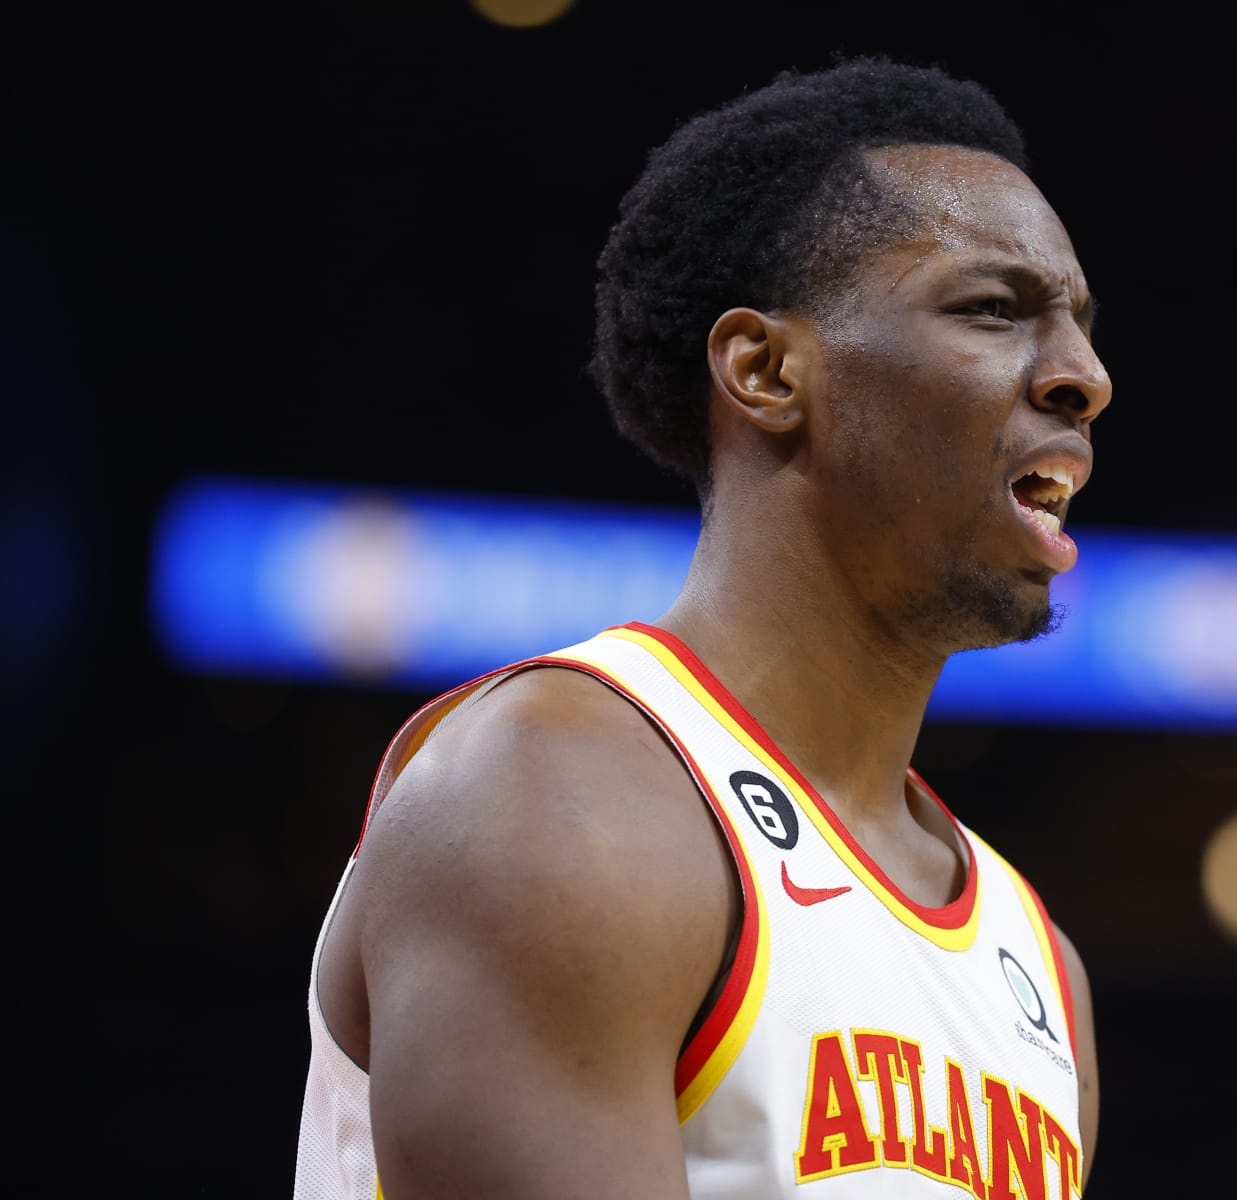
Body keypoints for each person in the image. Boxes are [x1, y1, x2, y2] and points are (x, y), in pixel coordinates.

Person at [295, 54, 1111, 1199]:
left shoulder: (1037, 963)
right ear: (767, 369)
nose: (1084, 376)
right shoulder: (555, 796)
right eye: (993, 309)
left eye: (1079, 325)